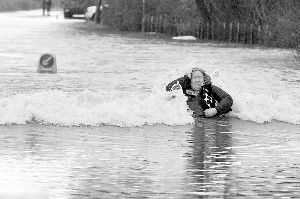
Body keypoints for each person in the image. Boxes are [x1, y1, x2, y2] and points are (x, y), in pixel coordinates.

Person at [166, 67, 233, 118]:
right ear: (190, 80)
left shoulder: (211, 88)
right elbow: (168, 88)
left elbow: (228, 99)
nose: (197, 80)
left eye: (199, 77)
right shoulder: (184, 91)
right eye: (194, 78)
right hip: (195, 122)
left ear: (204, 79)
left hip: (217, 120)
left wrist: (216, 110)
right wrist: (186, 77)